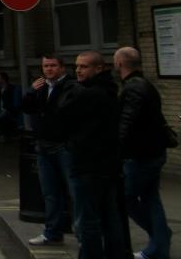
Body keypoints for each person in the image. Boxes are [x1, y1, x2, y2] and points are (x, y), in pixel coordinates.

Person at [58, 50, 128, 259]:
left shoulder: (87, 94)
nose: (78, 70)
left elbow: (62, 117)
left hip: (88, 164)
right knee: (109, 217)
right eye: (77, 66)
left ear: (99, 68)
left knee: (88, 220)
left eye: (84, 66)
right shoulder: (109, 90)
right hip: (107, 164)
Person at [115, 47, 172, 259]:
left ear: (120, 64)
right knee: (150, 197)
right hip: (154, 151)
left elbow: (127, 123)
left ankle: (160, 237)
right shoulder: (145, 85)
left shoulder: (133, 88)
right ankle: (159, 248)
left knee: (126, 197)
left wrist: (116, 150)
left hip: (140, 154)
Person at [21, 55, 75, 247]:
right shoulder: (41, 87)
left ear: (62, 68)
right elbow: (26, 108)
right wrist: (29, 92)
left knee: (73, 193)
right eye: (46, 66)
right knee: (50, 193)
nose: (49, 69)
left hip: (63, 147)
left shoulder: (70, 87)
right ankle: (52, 232)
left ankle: (83, 234)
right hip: (43, 146)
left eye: (53, 66)